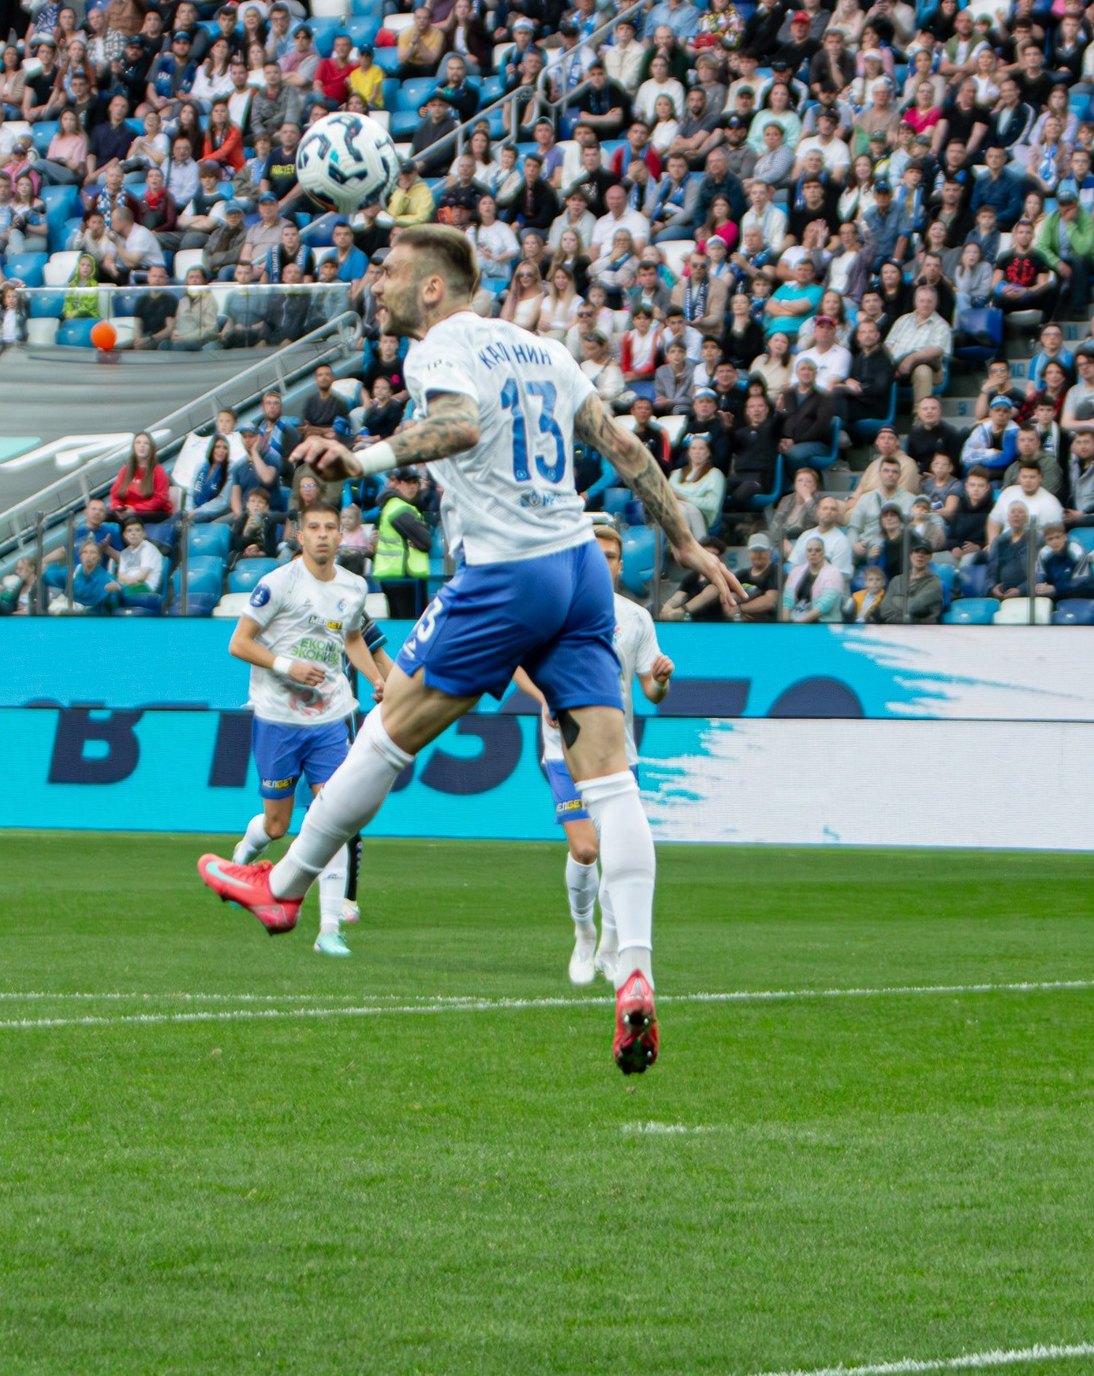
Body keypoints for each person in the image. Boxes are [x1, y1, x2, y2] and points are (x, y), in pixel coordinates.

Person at [200, 226, 743, 1074]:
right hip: (579, 574)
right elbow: (627, 449)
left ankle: (285, 885)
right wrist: (686, 542)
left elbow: (458, 423)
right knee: (611, 777)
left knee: (387, 727)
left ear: (431, 288)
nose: (376, 284)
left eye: (390, 272)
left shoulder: (442, 347)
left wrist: (364, 454)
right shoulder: (541, 348)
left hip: (508, 574)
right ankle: (633, 971)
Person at [223, 497, 392, 958]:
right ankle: (242, 859)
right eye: (313, 527)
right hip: (278, 717)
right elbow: (239, 643)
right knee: (277, 825)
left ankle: (329, 928)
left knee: (331, 817)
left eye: (330, 527)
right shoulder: (278, 583)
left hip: (330, 718)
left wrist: (378, 679)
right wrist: (287, 666)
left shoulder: (354, 586)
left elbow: (352, 636)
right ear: (300, 535)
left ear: (342, 535)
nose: (322, 534)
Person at [513, 522, 671, 986]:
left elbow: (650, 692)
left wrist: (660, 679)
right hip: (563, 750)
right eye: (594, 554)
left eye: (610, 556)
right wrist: (544, 697)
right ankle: (584, 936)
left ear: (620, 566)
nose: (602, 563)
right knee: (586, 850)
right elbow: (517, 663)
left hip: (619, 756)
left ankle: (608, 948)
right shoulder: (553, 611)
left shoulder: (636, 618)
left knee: (618, 853)